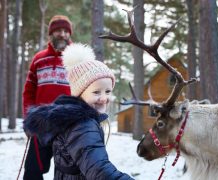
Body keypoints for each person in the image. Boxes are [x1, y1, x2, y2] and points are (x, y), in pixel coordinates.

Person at [23, 43, 134, 179]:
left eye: (108, 91)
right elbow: (98, 169)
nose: (104, 98)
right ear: (80, 92)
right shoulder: (83, 125)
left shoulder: (73, 120)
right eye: (96, 92)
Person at [22, 15, 73, 180]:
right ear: (51, 33)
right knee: (32, 171)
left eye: (66, 31)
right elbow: (29, 91)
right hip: (41, 124)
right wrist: (28, 119)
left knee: (68, 171)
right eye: (58, 30)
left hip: (69, 124)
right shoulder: (39, 59)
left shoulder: (78, 59)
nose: (63, 34)